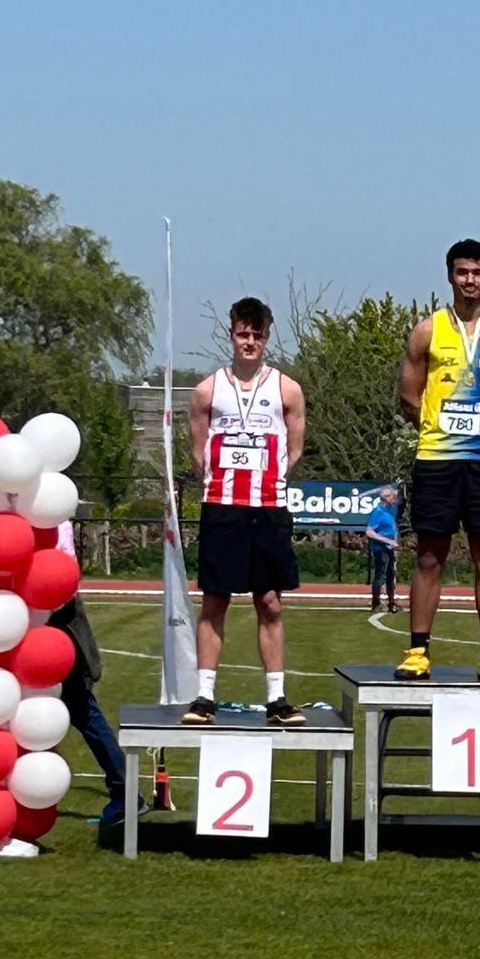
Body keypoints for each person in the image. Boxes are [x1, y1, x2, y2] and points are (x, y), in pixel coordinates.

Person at [0, 521, 145, 827]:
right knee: (11, 708)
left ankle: (125, 794)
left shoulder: (49, 520)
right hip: (20, 626)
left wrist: (17, 614)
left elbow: (58, 578)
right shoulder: (7, 517)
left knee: (73, 710)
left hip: (49, 629)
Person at [395, 238, 480, 682]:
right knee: (429, 555)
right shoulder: (427, 331)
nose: (469, 280)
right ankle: (418, 652)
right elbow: (409, 396)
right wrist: (441, 431)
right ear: (450, 275)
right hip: (437, 458)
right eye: (462, 272)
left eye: (477, 272)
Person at [182, 297, 306, 727]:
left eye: (257, 334)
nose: (249, 341)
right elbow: (199, 451)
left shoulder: (287, 389)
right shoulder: (208, 390)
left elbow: (294, 448)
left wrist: (268, 478)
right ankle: (204, 696)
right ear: (231, 334)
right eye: (242, 333)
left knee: (269, 602)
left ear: (267, 337)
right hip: (223, 505)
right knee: (215, 599)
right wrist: (221, 478)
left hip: (268, 506)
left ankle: (277, 698)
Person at [365, 484, 401, 612]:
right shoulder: (378, 512)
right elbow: (369, 531)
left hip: (389, 548)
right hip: (381, 549)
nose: (394, 499)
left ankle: (392, 602)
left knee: (391, 575)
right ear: (386, 498)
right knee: (380, 576)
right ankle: (376, 603)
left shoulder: (389, 511)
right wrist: (387, 540)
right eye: (391, 497)